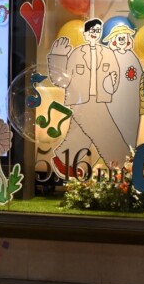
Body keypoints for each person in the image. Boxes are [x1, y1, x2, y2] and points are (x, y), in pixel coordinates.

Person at [47, 18, 130, 177]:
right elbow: (61, 80)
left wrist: (111, 85)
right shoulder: (77, 54)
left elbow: (116, 76)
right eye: (92, 31)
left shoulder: (108, 54)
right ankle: (123, 166)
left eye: (97, 31)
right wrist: (58, 58)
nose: (94, 33)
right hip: (81, 101)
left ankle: (63, 161)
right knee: (107, 131)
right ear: (85, 34)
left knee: (83, 133)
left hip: (100, 100)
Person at [102, 23, 142, 149]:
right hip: (115, 100)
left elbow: (140, 76)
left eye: (124, 37)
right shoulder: (110, 57)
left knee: (131, 126)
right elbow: (104, 78)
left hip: (132, 100)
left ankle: (130, 151)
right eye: (120, 38)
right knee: (115, 126)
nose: (122, 40)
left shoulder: (132, 56)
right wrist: (109, 82)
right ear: (114, 41)